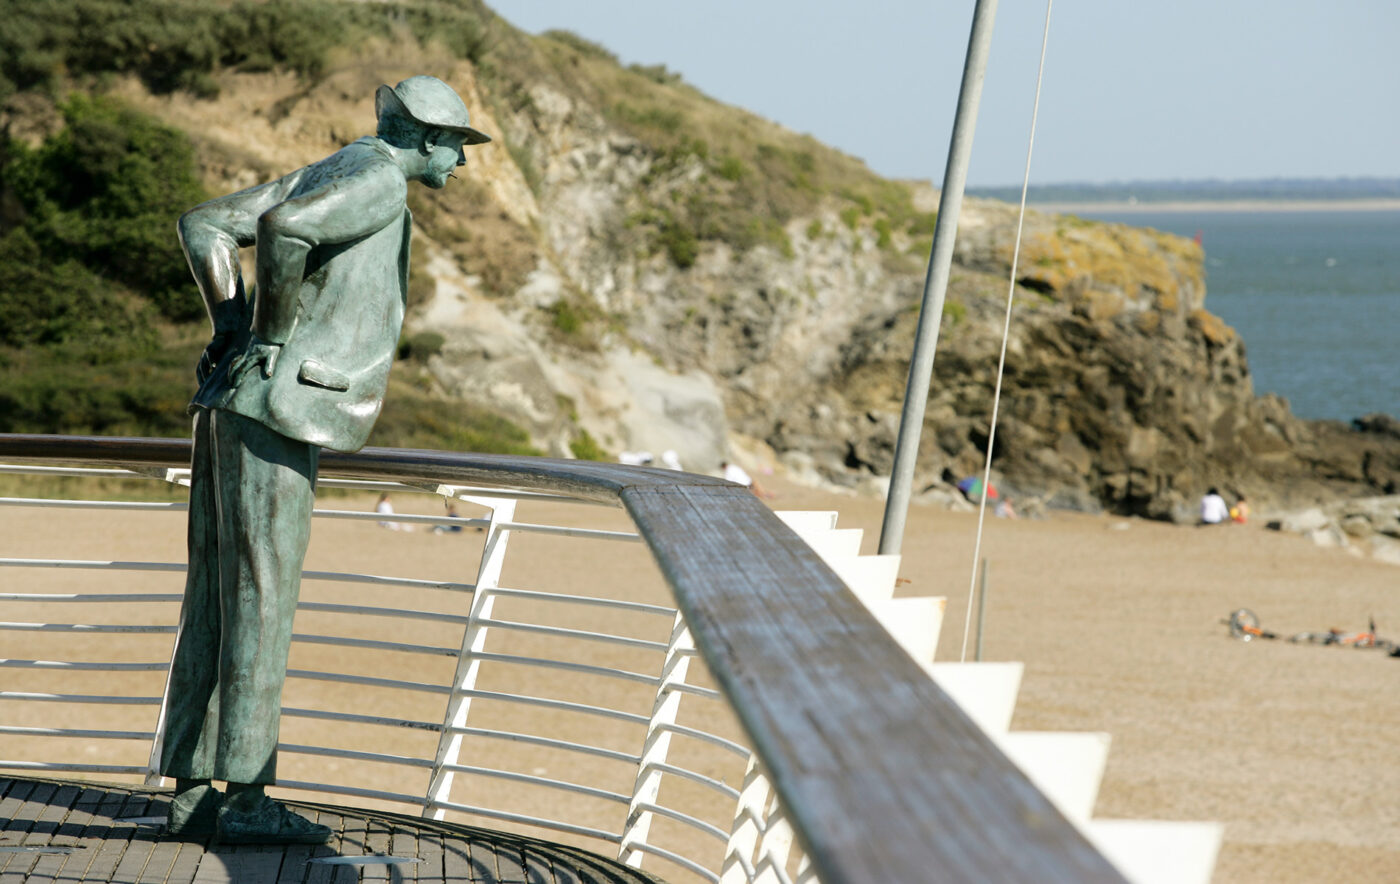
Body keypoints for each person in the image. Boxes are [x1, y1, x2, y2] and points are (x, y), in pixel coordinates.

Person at [159, 76, 489, 844]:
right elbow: (286, 231)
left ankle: (191, 789)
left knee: (217, 591)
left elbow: (203, 224)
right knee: (263, 596)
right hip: (277, 407)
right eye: (458, 146)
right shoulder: (378, 180)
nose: (460, 165)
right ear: (428, 139)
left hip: (231, 402)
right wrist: (269, 336)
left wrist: (231, 325)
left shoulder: (340, 162)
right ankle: (242, 798)